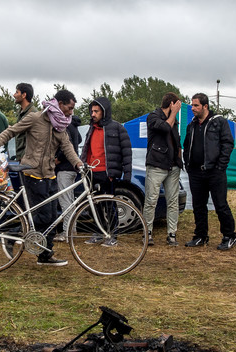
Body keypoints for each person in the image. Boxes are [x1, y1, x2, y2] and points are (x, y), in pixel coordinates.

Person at [0, 89, 82, 266]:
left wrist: (79, 164)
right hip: (32, 172)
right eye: (69, 108)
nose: (71, 112)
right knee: (43, 216)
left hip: (50, 174)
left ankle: (44, 254)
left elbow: (68, 147)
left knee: (52, 217)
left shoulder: (61, 125)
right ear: (60, 104)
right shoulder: (36, 118)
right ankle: (14, 235)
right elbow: (12, 131)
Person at [183, 93, 236, 250]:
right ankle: (201, 235)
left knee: (220, 204)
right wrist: (188, 164)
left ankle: (229, 236)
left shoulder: (218, 122)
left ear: (205, 106)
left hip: (215, 172)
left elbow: (228, 143)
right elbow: (186, 146)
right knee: (198, 205)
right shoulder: (191, 125)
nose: (192, 108)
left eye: (196, 105)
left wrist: (221, 166)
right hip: (196, 172)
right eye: (192, 105)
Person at [80, 96, 132, 246]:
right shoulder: (91, 129)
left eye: (96, 111)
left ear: (104, 111)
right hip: (91, 172)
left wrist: (126, 175)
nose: (93, 114)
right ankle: (98, 232)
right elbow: (86, 149)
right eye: (92, 111)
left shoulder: (117, 128)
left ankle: (112, 235)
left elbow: (126, 152)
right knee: (94, 205)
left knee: (110, 205)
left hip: (107, 173)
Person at [143, 92, 183, 246]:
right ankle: (148, 233)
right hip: (156, 164)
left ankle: (172, 234)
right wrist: (173, 113)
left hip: (173, 165)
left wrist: (179, 159)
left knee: (173, 201)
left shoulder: (175, 120)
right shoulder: (153, 117)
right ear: (172, 104)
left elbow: (176, 139)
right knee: (151, 200)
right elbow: (165, 127)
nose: (179, 107)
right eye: (177, 104)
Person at [53, 113, 82, 243]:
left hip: (65, 168)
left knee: (65, 202)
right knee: (70, 201)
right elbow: (79, 139)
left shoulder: (64, 125)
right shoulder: (74, 125)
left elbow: (66, 144)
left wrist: (58, 158)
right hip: (73, 168)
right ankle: (72, 230)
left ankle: (66, 233)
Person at [13, 83, 38, 162]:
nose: (14, 95)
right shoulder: (21, 112)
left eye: (17, 92)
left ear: (24, 95)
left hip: (28, 160)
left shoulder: (32, 113)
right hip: (22, 158)